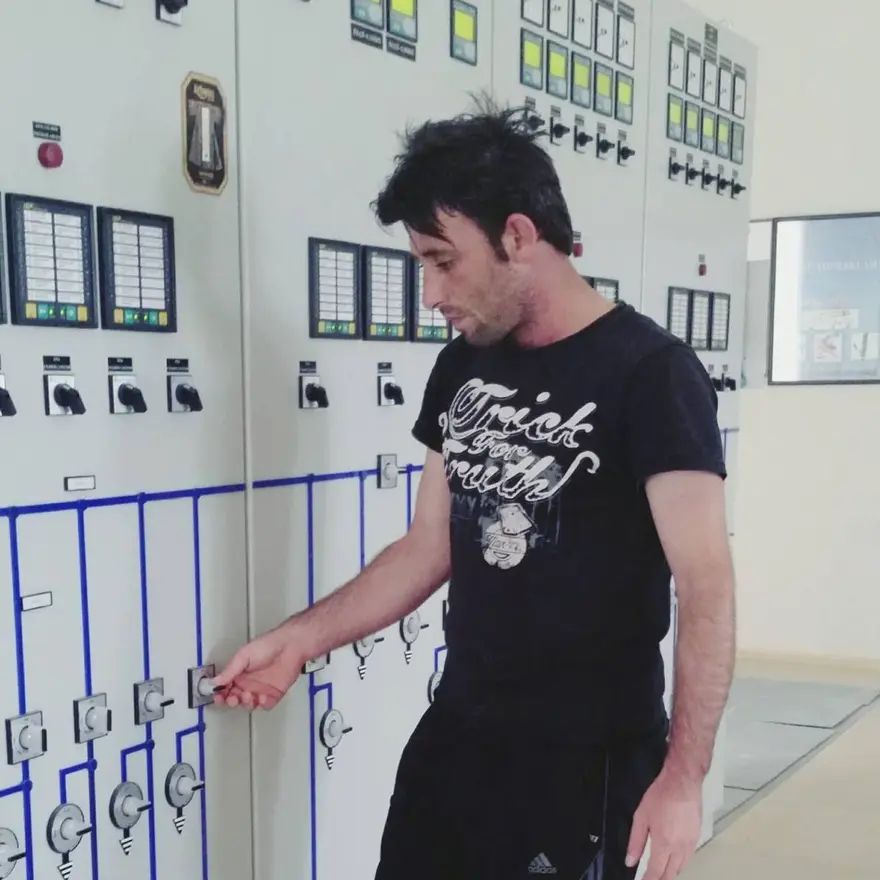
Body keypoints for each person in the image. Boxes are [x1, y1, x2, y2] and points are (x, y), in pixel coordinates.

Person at [212, 100, 736, 880]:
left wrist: (683, 780)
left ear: (517, 236)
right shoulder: (464, 364)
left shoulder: (651, 374)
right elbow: (430, 546)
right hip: (459, 742)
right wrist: (297, 641)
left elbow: (706, 587)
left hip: (586, 766)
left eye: (443, 261)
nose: (430, 293)